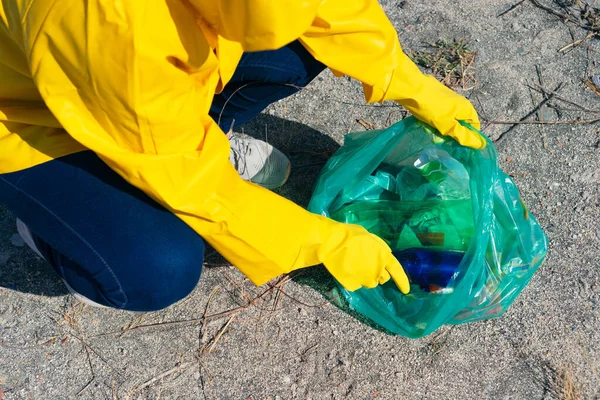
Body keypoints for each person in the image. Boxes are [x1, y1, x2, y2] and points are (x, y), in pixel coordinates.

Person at [0, 1, 485, 311]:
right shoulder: (105, 23)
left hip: (138, 93)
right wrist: (323, 242)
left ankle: (198, 133)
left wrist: (412, 84)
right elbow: (193, 183)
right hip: (26, 115)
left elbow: (333, 12)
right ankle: (54, 227)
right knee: (157, 267)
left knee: (304, 47)